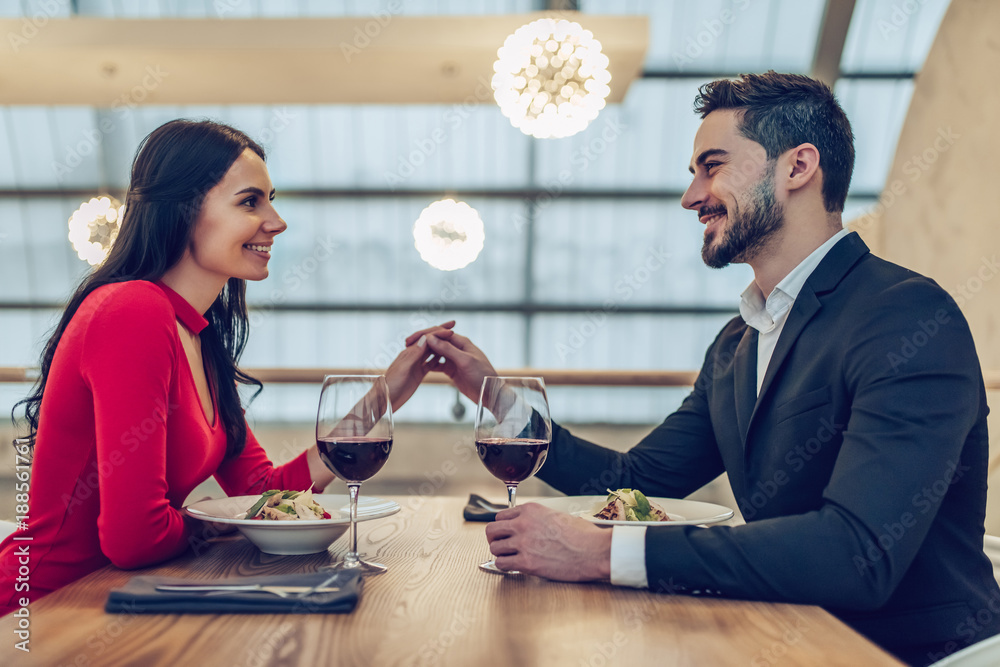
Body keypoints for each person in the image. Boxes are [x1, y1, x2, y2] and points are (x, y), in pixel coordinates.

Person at [415, 72, 999, 665]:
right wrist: (502, 401)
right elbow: (635, 482)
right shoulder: (735, 343)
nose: (692, 196)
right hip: (781, 637)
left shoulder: (907, 315)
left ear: (798, 168)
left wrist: (602, 555)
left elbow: (857, 554)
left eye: (712, 166)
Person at [0, 119, 448, 614]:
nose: (276, 221)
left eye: (270, 199)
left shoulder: (196, 333)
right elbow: (133, 538)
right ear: (184, 210)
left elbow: (266, 494)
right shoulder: (132, 311)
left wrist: (384, 396)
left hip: (112, 602)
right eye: (250, 201)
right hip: (39, 607)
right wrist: (219, 519)